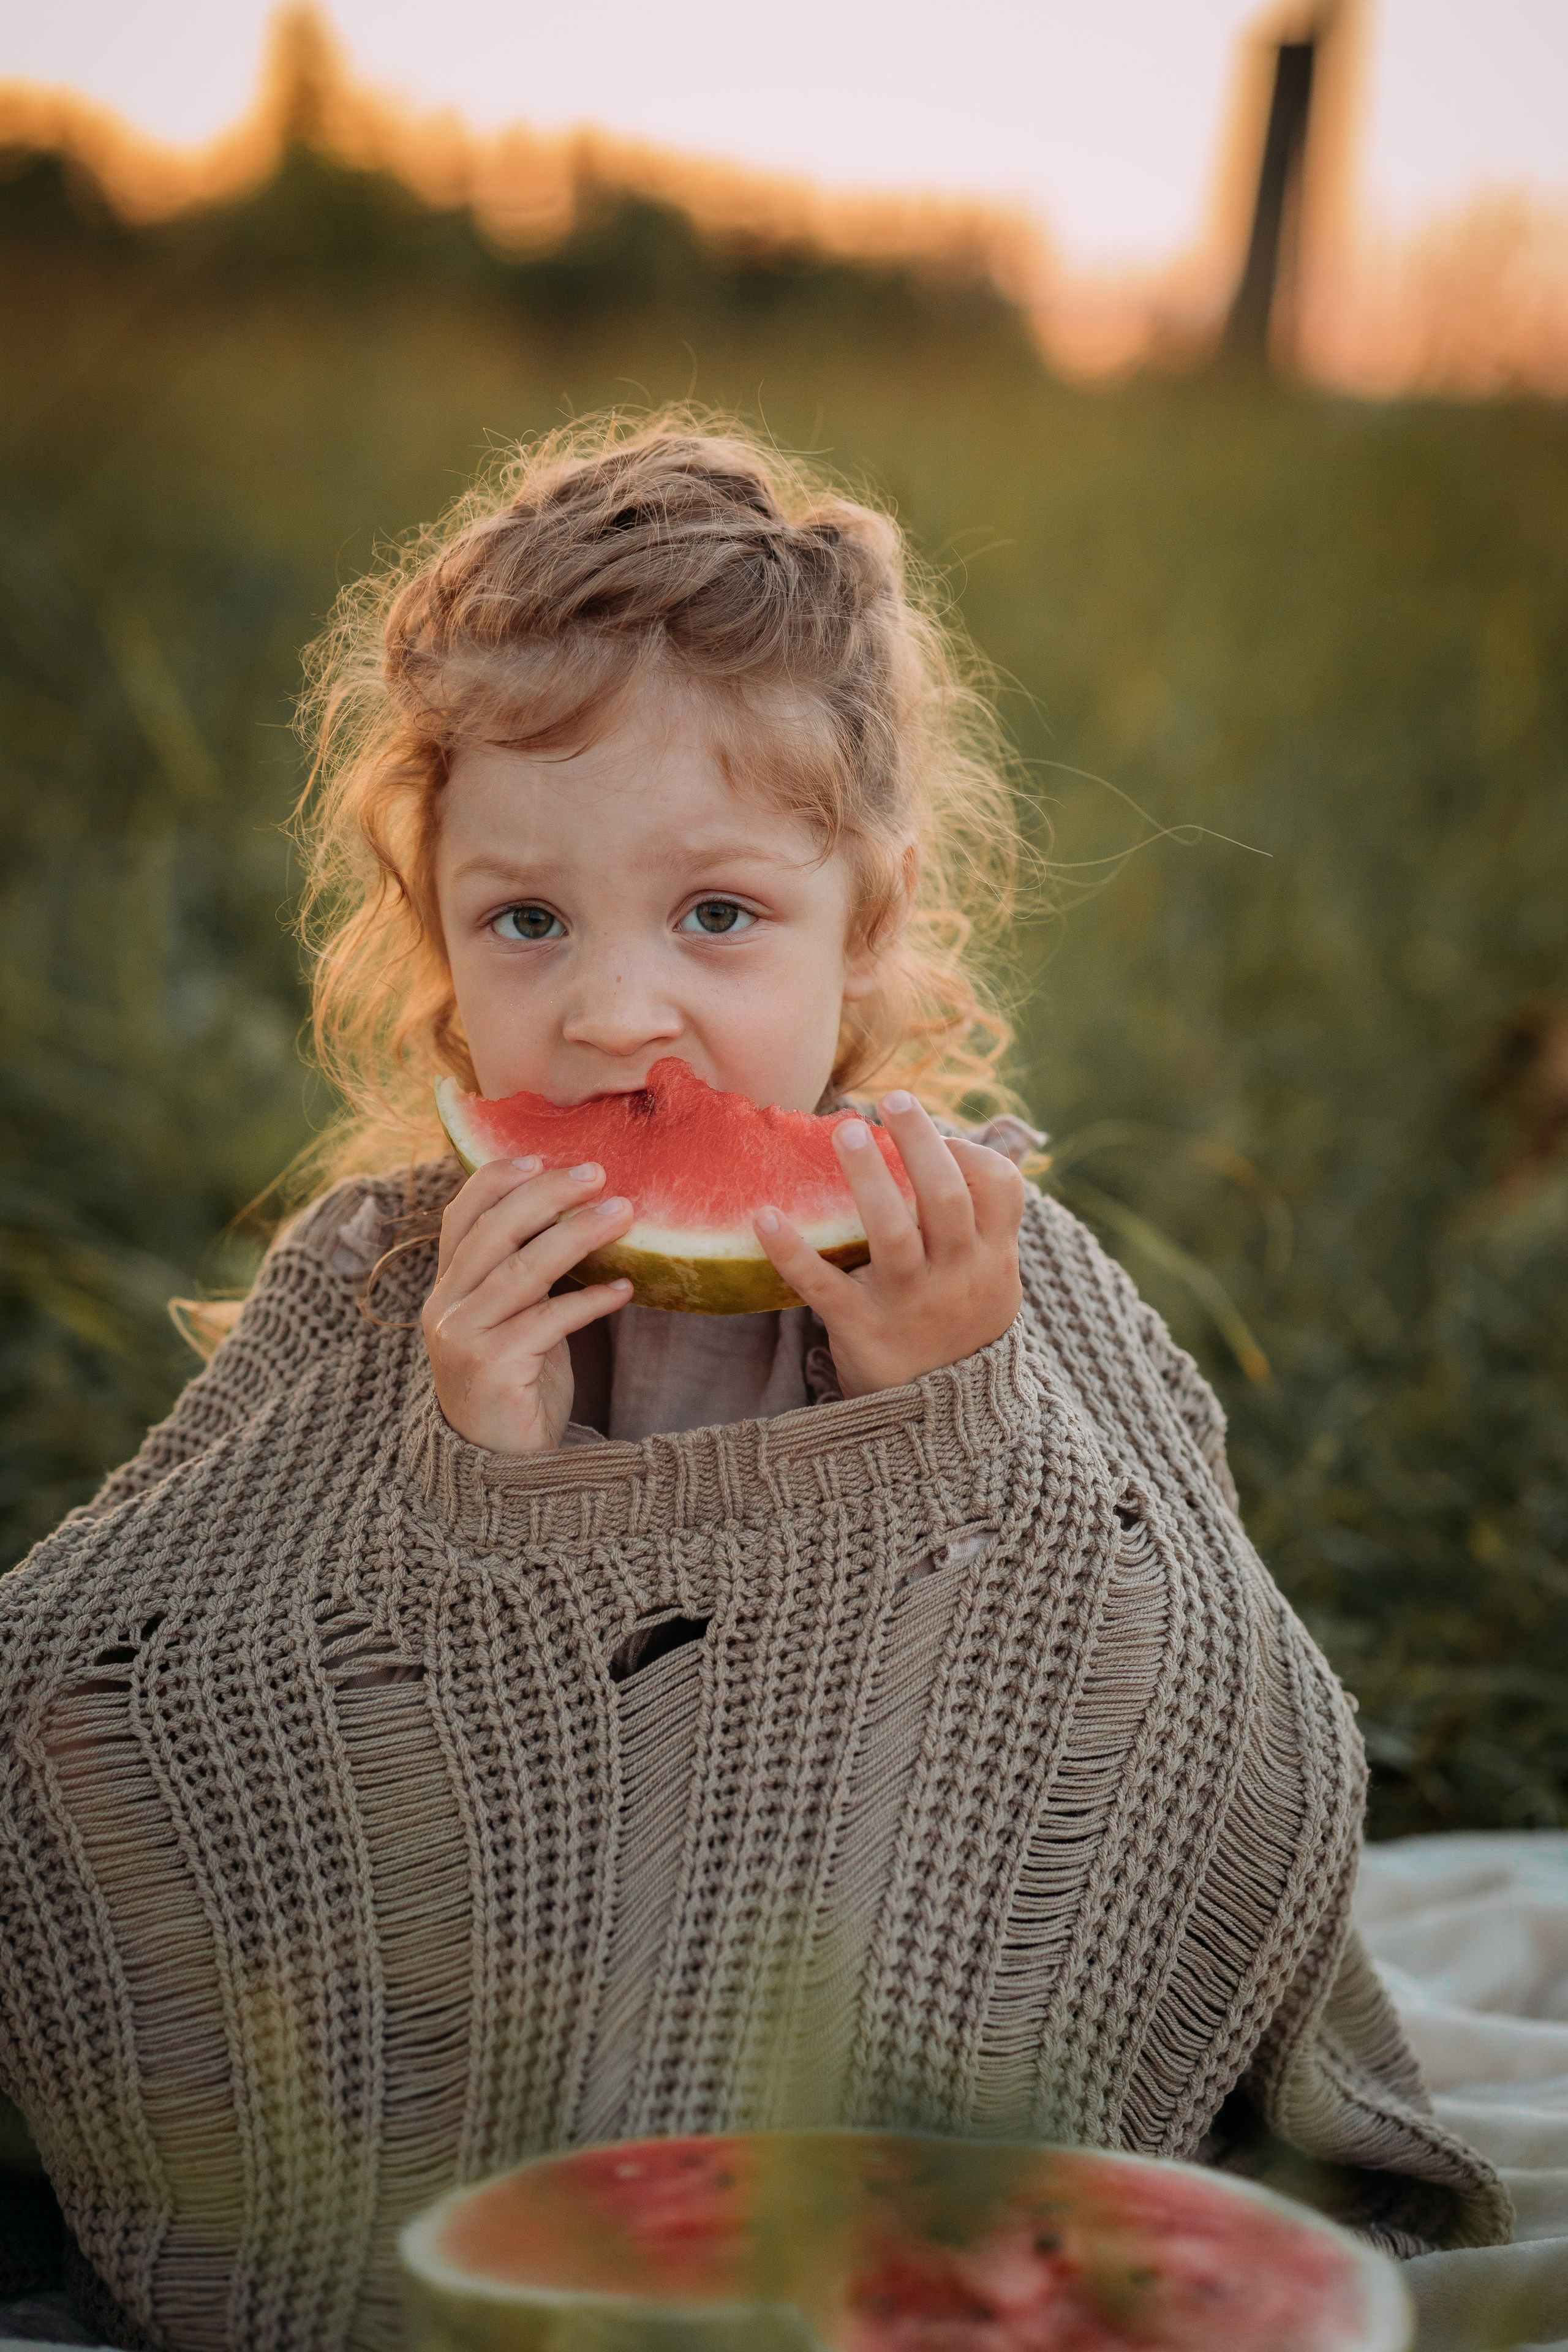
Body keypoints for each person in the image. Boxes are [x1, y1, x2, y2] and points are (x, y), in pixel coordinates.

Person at [0, 416, 1509, 2351]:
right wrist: (463, 1485)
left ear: (864, 925)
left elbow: (1228, 1727)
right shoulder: (383, 1286)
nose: (616, 1012)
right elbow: (90, 1684)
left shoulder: (994, 1265)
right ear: (438, 938)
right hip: (463, 2092)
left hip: (879, 2084)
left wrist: (963, 1422)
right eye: (527, 920)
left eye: (716, 915)